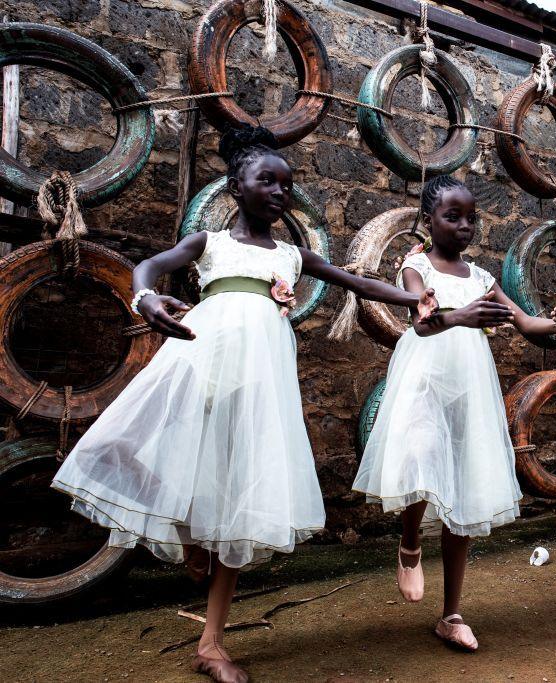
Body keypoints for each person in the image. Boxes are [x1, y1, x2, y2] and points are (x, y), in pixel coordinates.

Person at [52, 124, 438, 683]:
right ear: (236, 186)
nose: (279, 193)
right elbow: (149, 269)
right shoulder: (210, 244)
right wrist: (145, 299)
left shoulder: (293, 254)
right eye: (267, 181)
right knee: (119, 444)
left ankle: (211, 645)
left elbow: (359, 283)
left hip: (257, 384)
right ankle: (184, 529)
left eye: (287, 185)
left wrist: (415, 299)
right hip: (198, 362)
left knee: (238, 497)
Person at [353, 174, 556, 651]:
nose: (465, 225)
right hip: (426, 378)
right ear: (428, 221)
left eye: (472, 217)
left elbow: (526, 324)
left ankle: (451, 613)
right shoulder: (417, 267)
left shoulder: (482, 279)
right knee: (420, 458)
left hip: (470, 385)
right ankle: (410, 540)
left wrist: (554, 323)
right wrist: (460, 317)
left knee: (464, 484)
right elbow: (424, 323)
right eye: (453, 217)